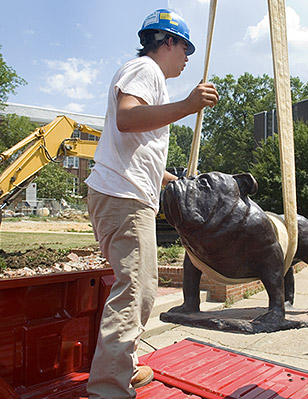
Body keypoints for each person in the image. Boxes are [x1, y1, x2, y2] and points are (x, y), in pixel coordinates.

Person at [84, 8, 218, 398]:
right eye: (185, 48)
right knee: (138, 291)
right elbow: (128, 119)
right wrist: (188, 105)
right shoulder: (146, 71)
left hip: (122, 192)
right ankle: (109, 388)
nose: (188, 58)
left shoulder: (148, 78)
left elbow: (136, 148)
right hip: (123, 197)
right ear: (168, 41)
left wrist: (177, 182)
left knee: (135, 287)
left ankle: (121, 369)